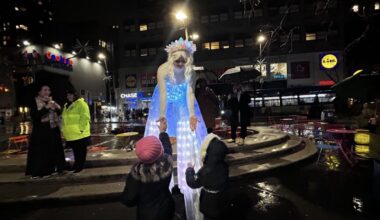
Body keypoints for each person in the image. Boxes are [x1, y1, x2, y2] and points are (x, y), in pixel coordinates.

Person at [144, 38, 207, 220]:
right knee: (162, 134)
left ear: (188, 60)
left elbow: (189, 93)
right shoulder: (163, 70)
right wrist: (162, 115)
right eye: (177, 60)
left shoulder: (190, 73)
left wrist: (192, 114)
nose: (180, 63)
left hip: (182, 102)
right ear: (171, 58)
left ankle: (188, 177)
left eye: (183, 60)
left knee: (189, 127)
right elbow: (163, 94)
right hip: (164, 101)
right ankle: (164, 182)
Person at [121, 117, 174, 220]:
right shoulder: (167, 163)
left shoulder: (137, 175)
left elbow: (128, 199)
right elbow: (167, 147)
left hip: (146, 213)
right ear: (160, 152)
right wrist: (163, 131)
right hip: (166, 209)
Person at [25, 84, 66, 178]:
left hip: (53, 129)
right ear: (39, 92)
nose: (48, 92)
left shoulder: (52, 102)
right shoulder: (34, 101)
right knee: (42, 152)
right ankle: (41, 171)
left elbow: (60, 113)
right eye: (45, 90)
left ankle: (56, 168)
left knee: (55, 150)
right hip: (41, 130)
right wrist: (47, 107)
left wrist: (55, 107)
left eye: (49, 90)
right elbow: (35, 116)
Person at [186, 133, 229, 220]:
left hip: (208, 203)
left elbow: (193, 183)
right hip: (222, 200)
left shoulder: (206, 171)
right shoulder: (224, 166)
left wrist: (189, 170)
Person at [61, 89, 91, 173]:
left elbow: (85, 117)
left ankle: (79, 166)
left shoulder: (81, 104)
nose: (69, 96)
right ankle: (76, 166)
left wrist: (81, 129)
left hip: (80, 134)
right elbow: (64, 120)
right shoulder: (66, 105)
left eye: (71, 94)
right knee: (76, 151)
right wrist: (63, 131)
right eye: (68, 95)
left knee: (80, 152)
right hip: (71, 134)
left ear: (75, 95)